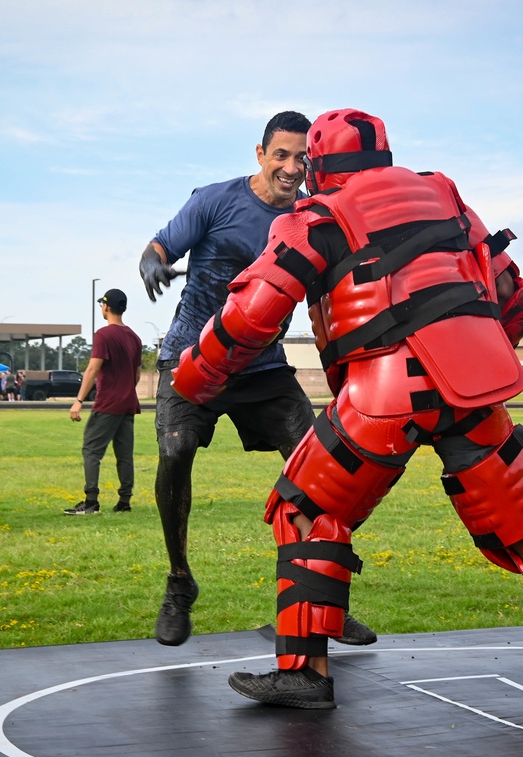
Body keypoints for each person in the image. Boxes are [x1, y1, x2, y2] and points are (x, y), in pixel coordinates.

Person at [172, 108, 523, 709]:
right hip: (472, 388)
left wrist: (196, 374)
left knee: (303, 511)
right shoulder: (445, 195)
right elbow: (517, 302)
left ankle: (305, 673)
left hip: (383, 396)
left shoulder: (317, 216)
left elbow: (251, 316)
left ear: (320, 164)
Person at [139, 110, 376, 650]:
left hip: (263, 369)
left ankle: (327, 603)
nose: (292, 168)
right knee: (174, 455)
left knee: (327, 475)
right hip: (191, 360)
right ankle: (180, 582)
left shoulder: (317, 216)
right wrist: (151, 264)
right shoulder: (215, 200)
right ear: (260, 154)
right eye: (282, 155)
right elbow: (158, 248)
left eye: (303, 159)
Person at [64, 288, 143, 515]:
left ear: (106, 307)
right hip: (128, 403)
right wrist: (125, 390)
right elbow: (136, 375)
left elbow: (92, 369)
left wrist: (79, 400)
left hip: (108, 403)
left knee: (91, 451)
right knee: (124, 455)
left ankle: (91, 502)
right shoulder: (135, 338)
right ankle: (124, 502)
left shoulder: (103, 335)